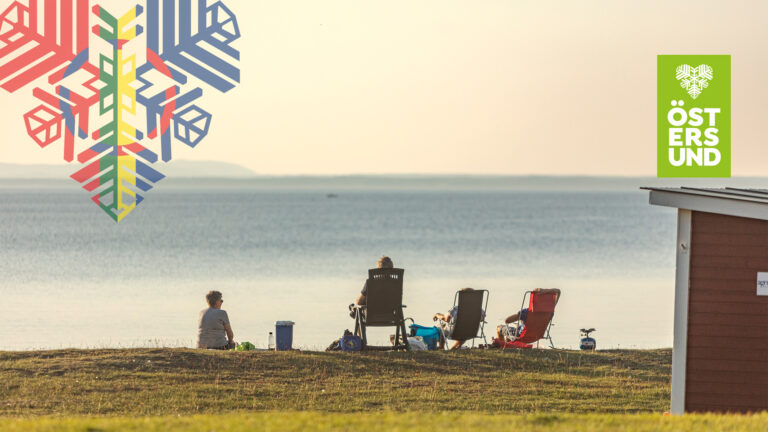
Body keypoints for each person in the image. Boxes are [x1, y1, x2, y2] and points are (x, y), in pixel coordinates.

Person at [496, 288, 561, 342]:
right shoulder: (549, 311)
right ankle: (509, 342)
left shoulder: (527, 312)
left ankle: (502, 346)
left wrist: (519, 315)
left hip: (522, 336)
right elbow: (558, 291)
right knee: (517, 327)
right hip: (537, 337)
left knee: (499, 328)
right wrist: (544, 291)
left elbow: (507, 321)